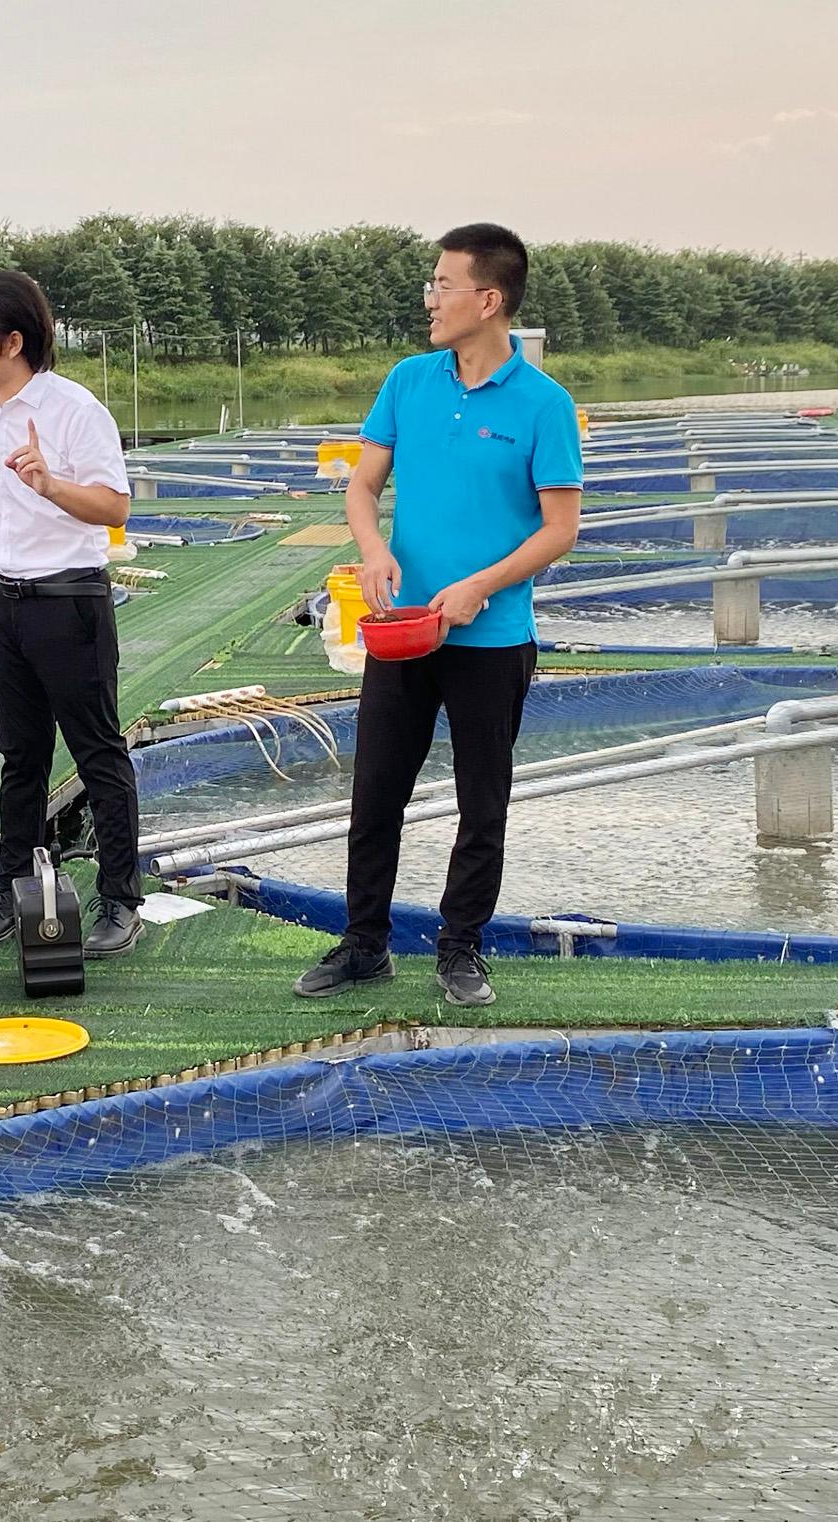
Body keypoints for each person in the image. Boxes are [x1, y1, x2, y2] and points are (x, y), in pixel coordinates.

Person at [293, 223, 582, 1009]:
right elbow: (360, 488)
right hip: (401, 628)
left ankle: (460, 950)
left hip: (490, 637)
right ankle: (364, 944)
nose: (429, 298)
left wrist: (480, 586)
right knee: (375, 792)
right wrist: (371, 549)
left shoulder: (542, 405)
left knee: (479, 799)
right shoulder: (409, 381)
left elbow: (559, 527)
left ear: (489, 300)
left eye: (442, 285)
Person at [0, 271, 142, 959]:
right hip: (6, 599)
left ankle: (120, 898)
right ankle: (11, 888)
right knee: (20, 756)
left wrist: (50, 482)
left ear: (13, 340)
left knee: (97, 751)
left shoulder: (72, 410)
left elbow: (114, 508)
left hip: (68, 598)